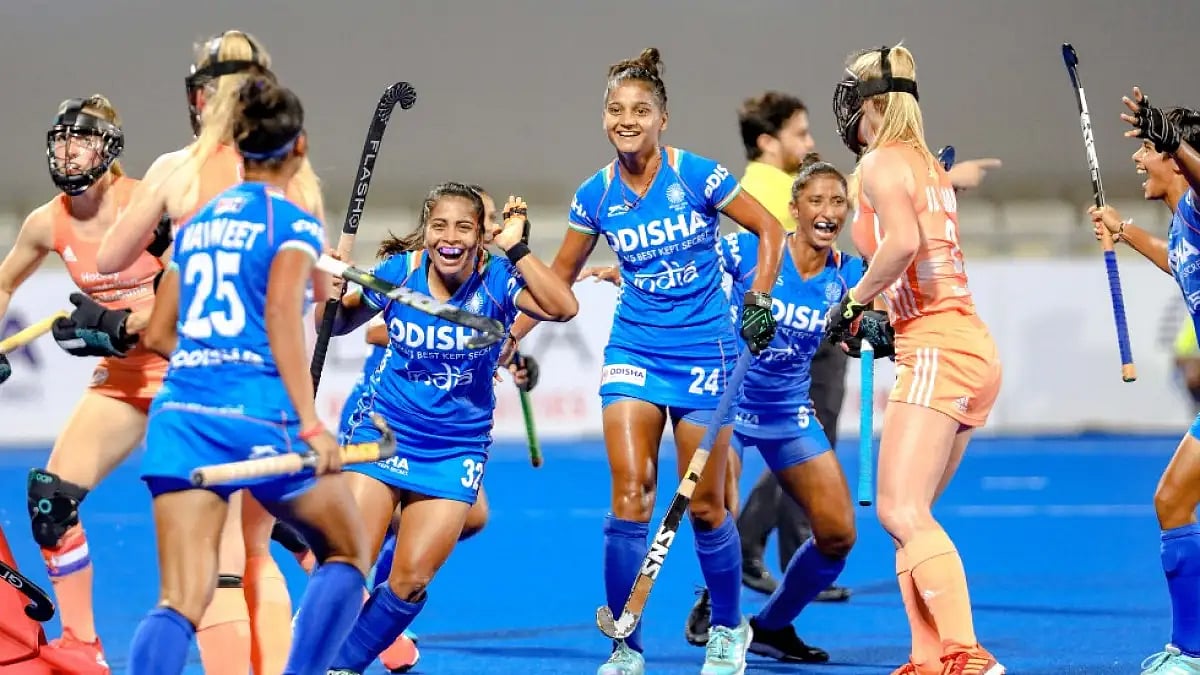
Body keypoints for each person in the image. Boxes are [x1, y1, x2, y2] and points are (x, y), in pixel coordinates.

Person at [506, 46, 786, 675]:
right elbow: (559, 280)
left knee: (707, 506)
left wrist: (759, 300)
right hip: (633, 349)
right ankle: (625, 646)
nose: (625, 119)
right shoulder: (595, 194)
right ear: (603, 118)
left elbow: (772, 231)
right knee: (631, 495)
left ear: (664, 118)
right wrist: (510, 332)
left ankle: (726, 628)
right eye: (614, 109)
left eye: (639, 109)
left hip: (706, 354)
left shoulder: (697, 176)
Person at [583, 155, 873, 663]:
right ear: (794, 209)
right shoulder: (746, 249)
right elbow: (683, 269)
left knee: (837, 534)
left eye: (838, 202)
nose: (828, 211)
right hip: (726, 401)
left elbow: (869, 322)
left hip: (786, 412)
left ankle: (772, 626)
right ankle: (717, 606)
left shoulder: (848, 274)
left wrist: (873, 330)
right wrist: (626, 274)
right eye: (816, 200)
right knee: (714, 508)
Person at [99, 30, 323, 675]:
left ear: (202, 95)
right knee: (264, 552)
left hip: (196, 392)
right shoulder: (298, 180)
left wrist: (172, 243)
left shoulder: (178, 170)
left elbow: (113, 258)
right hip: (273, 393)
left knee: (207, 576)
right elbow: (315, 297)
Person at [128, 77, 369, 675]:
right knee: (347, 549)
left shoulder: (198, 222)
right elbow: (284, 317)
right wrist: (312, 425)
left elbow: (158, 334)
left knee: (180, 599)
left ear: (236, 148)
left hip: (181, 417)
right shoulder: (291, 224)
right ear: (300, 147)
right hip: (261, 416)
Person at [319, 183, 577, 674]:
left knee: (410, 579)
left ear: (483, 235)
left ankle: (342, 664)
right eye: (440, 226)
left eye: (464, 227)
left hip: (453, 450)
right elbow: (336, 325)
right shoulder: (400, 271)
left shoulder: (499, 278)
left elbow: (563, 307)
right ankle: (323, 653)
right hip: (383, 435)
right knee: (347, 565)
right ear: (426, 230)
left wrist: (516, 248)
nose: (450, 237)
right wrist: (329, 300)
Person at [824, 44, 1004, 675]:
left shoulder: (879, 161)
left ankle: (966, 655)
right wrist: (883, 316)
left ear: (870, 105)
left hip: (939, 348)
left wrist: (851, 303)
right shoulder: (923, 163)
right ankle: (928, 660)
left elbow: (903, 243)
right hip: (960, 345)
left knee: (901, 511)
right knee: (911, 517)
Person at [0, 94, 165, 675]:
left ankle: (368, 615)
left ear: (109, 149)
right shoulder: (46, 221)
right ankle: (83, 644)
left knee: (269, 515)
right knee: (51, 500)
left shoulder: (149, 205)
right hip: (123, 379)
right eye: (61, 139)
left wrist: (126, 326)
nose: (69, 151)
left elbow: (192, 287)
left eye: (82, 139)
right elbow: (4, 283)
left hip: (188, 373)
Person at [1087, 95, 1200, 673]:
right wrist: (1124, 230)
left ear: (1176, 160)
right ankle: (1189, 652)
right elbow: (1178, 261)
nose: (1137, 157)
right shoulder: (1184, 222)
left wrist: (1177, 140)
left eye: (1148, 148)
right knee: (1172, 501)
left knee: (1172, 500)